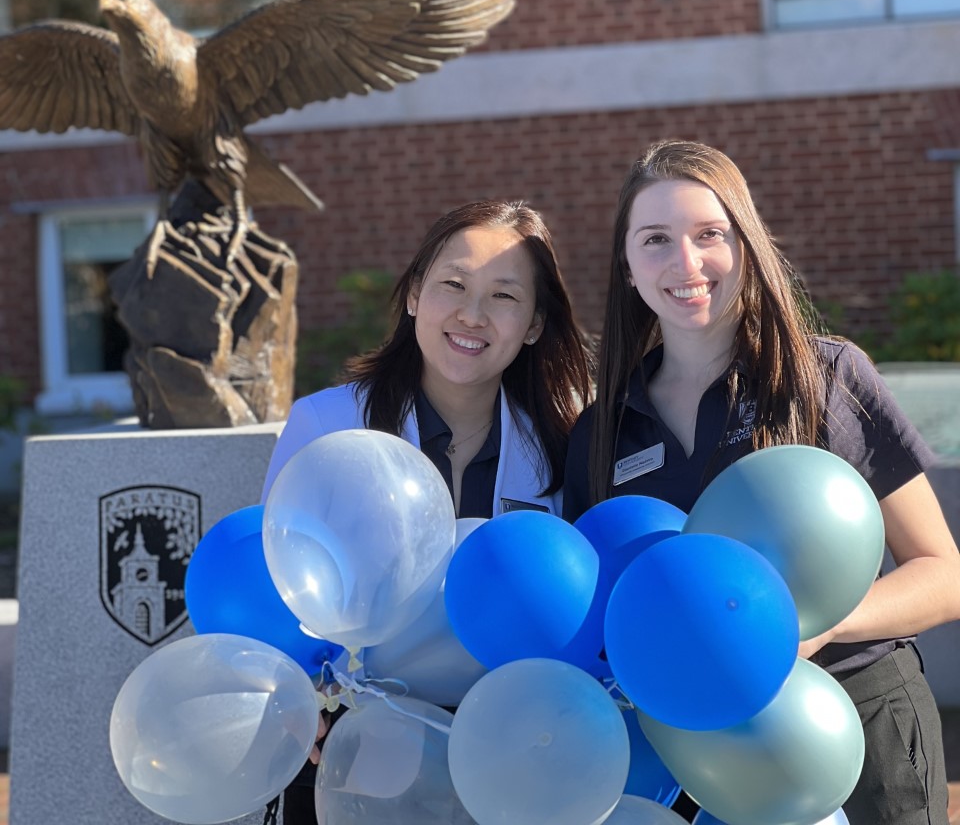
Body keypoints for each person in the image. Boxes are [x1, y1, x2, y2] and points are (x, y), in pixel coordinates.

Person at [563, 139, 960, 825]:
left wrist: (810, 625)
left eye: (709, 234)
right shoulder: (600, 431)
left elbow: (944, 572)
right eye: (655, 239)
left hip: (860, 729)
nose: (685, 262)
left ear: (745, 245)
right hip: (702, 758)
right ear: (627, 267)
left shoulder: (829, 376)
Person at [263, 198, 593, 825]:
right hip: (351, 760)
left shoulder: (565, 442)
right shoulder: (327, 426)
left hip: (510, 761)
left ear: (532, 325)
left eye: (503, 296)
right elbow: (276, 591)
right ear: (415, 293)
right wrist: (298, 694)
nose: (472, 314)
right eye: (453, 283)